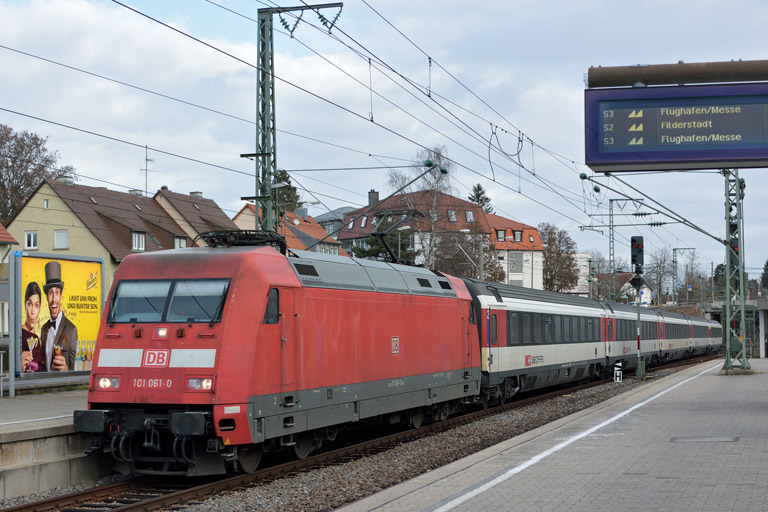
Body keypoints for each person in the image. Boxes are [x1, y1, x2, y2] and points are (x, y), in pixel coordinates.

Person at [40, 261, 79, 371]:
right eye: (51, 293)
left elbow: (74, 369)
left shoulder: (71, 329)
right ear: (47, 297)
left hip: (61, 386)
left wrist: (66, 369)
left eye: (57, 293)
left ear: (61, 295)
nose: (54, 299)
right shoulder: (44, 329)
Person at [20, 281, 44, 372]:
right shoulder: (18, 335)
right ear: (25, 305)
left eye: (36, 305)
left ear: (40, 308)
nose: (33, 311)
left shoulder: (39, 340)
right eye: (30, 304)